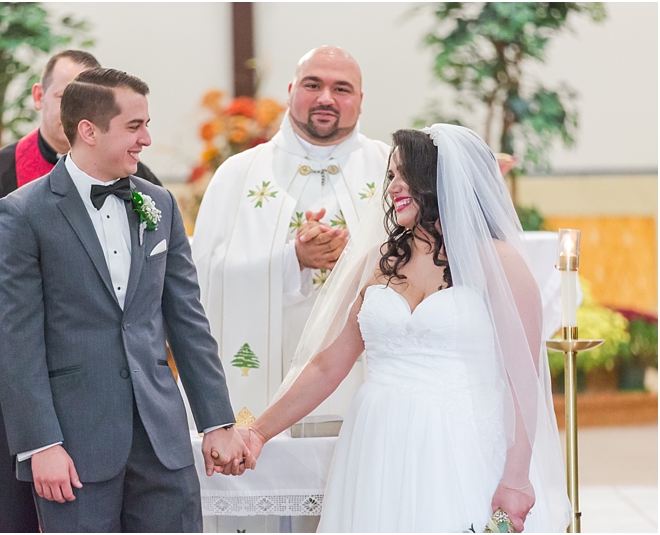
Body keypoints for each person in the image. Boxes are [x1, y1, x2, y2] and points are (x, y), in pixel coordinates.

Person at [238, 125, 571, 532]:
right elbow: (327, 365)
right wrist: (257, 433)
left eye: (404, 174)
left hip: (461, 446)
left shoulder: (497, 261)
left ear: (437, 179)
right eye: (390, 175)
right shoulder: (379, 261)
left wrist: (516, 477)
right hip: (378, 444)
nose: (392, 186)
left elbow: (523, 380)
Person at [0, 68, 253, 533]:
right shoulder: (22, 213)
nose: (146, 139)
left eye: (146, 124)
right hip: (73, 448)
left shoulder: (160, 204)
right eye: (134, 126)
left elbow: (188, 320)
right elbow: (14, 340)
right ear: (88, 131)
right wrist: (40, 444)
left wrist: (217, 422)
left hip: (162, 444)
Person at [0, 49, 159, 534]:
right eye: (66, 95)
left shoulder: (137, 183)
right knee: (13, 511)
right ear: (40, 97)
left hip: (102, 388)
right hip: (16, 373)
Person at [192, 45, 389, 419]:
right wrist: (293, 260)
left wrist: (354, 258)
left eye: (341, 88)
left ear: (361, 101)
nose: (326, 98)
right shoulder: (238, 174)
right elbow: (203, 280)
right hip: (263, 387)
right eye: (312, 85)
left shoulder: (392, 168)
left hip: (365, 387)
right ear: (290, 91)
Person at [0, 49, 161, 290]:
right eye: (64, 96)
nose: (76, 110)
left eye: (89, 102)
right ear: (39, 96)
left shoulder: (136, 178)